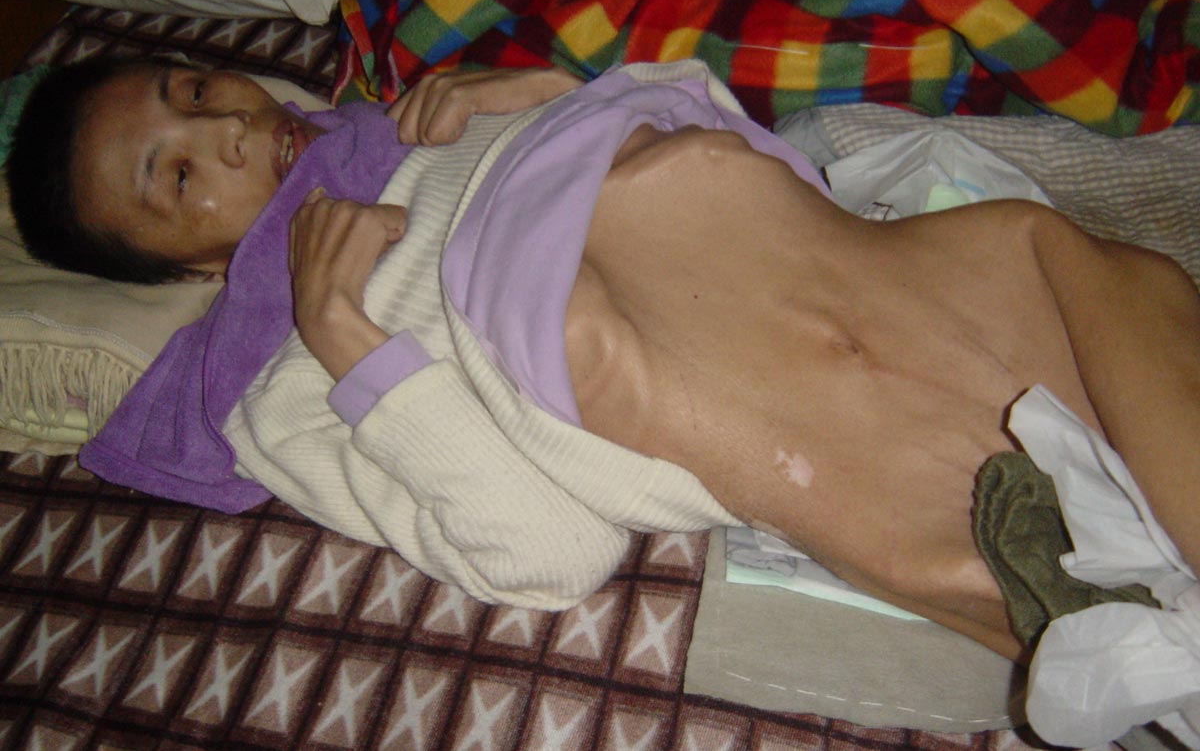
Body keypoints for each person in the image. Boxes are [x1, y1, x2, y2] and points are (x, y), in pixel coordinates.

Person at [6, 55, 1200, 667]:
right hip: (735, 391)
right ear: (186, 271)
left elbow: (727, 134)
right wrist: (351, 342)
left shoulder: (424, 111)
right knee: (1037, 555)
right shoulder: (283, 387)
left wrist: (559, 94)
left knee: (1088, 271)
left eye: (195, 88)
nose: (227, 128)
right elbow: (548, 555)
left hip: (825, 255)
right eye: (176, 176)